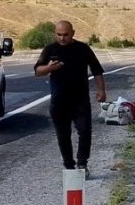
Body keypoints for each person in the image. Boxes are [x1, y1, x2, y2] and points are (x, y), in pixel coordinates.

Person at [35, 21, 106, 172]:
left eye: (65, 35)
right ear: (55, 34)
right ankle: (69, 165)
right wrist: (49, 68)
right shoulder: (50, 49)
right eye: (59, 35)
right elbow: (37, 71)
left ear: (73, 33)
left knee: (85, 132)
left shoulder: (82, 49)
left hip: (80, 101)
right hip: (59, 102)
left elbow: (97, 70)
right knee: (63, 135)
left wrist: (101, 90)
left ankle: (82, 163)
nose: (62, 38)